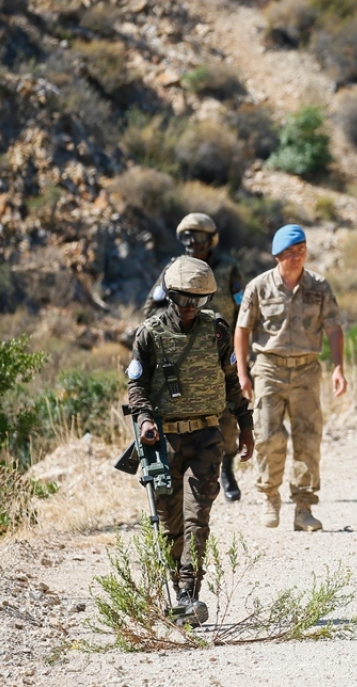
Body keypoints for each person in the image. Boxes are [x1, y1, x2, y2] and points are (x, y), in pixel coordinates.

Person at [127, 256, 255, 625]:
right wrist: (145, 420)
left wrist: (245, 424)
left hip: (206, 437)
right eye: (184, 299)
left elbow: (231, 381)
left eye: (199, 300)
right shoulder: (149, 334)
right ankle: (176, 588)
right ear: (170, 295)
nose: (190, 307)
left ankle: (188, 594)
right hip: (164, 442)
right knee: (171, 524)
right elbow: (136, 385)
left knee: (197, 518)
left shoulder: (216, 329)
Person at [235, 225, 347, 532]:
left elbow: (333, 327)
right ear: (277, 255)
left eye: (301, 251)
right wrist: (243, 374)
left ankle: (303, 508)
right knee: (268, 435)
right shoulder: (259, 287)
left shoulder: (319, 287)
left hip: (306, 370)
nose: (297, 257)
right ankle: (270, 497)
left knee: (308, 438)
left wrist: (339, 368)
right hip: (269, 369)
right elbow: (242, 330)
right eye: (290, 252)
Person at [144, 212, 248, 503]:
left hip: (220, 355)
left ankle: (227, 470)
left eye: (198, 236)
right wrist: (179, 317)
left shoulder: (228, 269)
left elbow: (244, 312)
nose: (192, 242)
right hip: (181, 359)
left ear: (211, 239)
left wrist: (242, 354)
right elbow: (150, 309)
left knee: (227, 416)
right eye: (186, 236)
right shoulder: (173, 269)